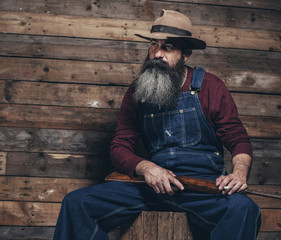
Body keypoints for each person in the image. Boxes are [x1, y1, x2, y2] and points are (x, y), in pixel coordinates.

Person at [54, 9, 261, 240]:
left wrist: (239, 173)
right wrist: (147, 168)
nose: (157, 54)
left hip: (201, 188)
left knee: (243, 209)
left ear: (186, 55)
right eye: (154, 45)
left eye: (167, 47)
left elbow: (238, 138)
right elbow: (119, 147)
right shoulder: (137, 90)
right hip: (151, 187)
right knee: (76, 203)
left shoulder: (211, 87)